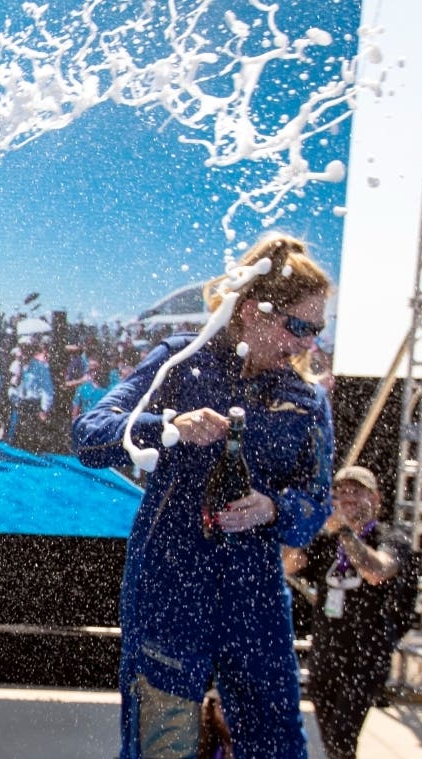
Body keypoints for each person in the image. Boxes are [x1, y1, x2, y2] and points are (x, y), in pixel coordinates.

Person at [73, 233, 335, 759]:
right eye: (298, 327)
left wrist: (274, 508)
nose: (309, 344)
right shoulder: (181, 359)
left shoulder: (306, 400)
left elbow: (317, 506)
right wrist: (169, 427)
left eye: (318, 330)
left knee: (278, 747)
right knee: (163, 745)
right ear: (253, 312)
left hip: (255, 596)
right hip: (170, 587)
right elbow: (90, 434)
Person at [283, 466, 418, 759]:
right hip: (325, 655)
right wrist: (301, 525)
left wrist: (343, 530)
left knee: (342, 737)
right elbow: (288, 565)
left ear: (376, 499)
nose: (347, 498)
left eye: (356, 492)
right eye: (340, 492)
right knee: (333, 742)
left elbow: (377, 571)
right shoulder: (327, 540)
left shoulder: (391, 537)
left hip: (365, 659)